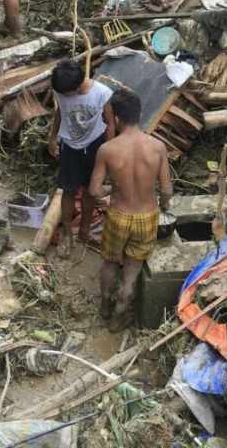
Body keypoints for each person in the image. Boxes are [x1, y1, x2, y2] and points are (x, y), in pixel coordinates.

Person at [90, 88, 173, 332]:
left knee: (109, 263)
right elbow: (166, 189)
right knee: (131, 272)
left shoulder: (108, 150)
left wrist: (112, 191)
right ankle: (118, 318)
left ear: (116, 118)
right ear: (139, 114)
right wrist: (165, 206)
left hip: (118, 214)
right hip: (147, 216)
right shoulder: (158, 147)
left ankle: (105, 307)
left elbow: (94, 191)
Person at [49, 58, 115, 253]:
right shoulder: (61, 89)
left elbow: (110, 123)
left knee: (89, 191)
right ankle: (67, 233)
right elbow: (60, 113)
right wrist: (52, 138)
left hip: (95, 145)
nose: (64, 96)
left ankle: (85, 230)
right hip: (70, 146)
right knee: (68, 191)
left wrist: (109, 151)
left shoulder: (102, 93)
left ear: (77, 87)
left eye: (66, 93)